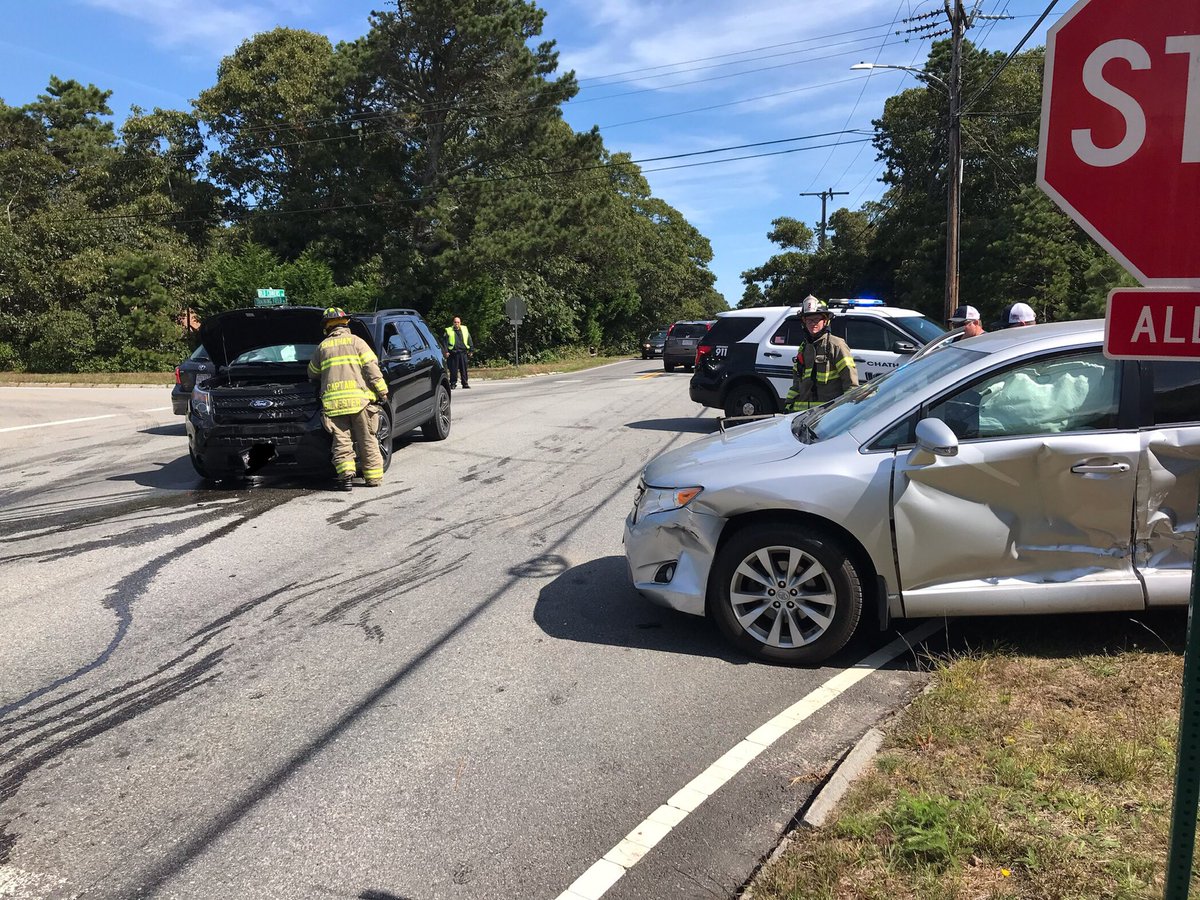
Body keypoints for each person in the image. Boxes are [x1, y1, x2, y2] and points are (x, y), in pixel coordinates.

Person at [307, 307, 389, 491]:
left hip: (333, 405)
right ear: (346, 323)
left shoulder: (322, 347)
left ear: (326, 327)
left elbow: (312, 372)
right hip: (360, 403)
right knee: (367, 439)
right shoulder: (357, 342)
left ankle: (346, 478)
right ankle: (373, 478)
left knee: (341, 441)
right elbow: (372, 368)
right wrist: (382, 391)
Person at [784, 296, 858, 413]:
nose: (813, 323)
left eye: (817, 319)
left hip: (828, 416)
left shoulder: (836, 345)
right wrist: (788, 405)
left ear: (825, 321)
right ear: (804, 322)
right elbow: (797, 384)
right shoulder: (803, 348)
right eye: (809, 320)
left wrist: (847, 412)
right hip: (802, 416)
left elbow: (851, 385)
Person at [443, 316, 473, 389]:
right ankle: (453, 384)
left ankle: (465, 383)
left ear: (460, 323)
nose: (456, 323)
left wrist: (471, 350)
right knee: (453, 370)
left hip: (463, 352)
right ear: (453, 323)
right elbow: (444, 342)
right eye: (455, 322)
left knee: (464, 369)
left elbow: (469, 339)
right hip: (453, 353)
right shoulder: (448, 330)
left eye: (458, 322)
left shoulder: (465, 329)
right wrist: (446, 351)